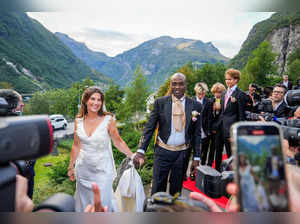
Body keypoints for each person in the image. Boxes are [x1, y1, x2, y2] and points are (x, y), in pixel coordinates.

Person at [67, 86, 137, 212]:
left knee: (103, 205)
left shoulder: (108, 120)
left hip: (102, 172)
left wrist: (132, 156)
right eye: (93, 99)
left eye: (99, 100)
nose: (96, 103)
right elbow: (76, 145)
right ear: (85, 101)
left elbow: (118, 141)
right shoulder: (78, 121)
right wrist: (71, 166)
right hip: (83, 171)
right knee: (84, 205)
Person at [133, 72, 202, 196]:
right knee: (158, 189)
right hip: (162, 152)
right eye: (174, 84)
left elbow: (197, 134)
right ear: (170, 85)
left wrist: (197, 158)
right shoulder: (160, 102)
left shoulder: (195, 105)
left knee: (176, 191)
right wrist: (141, 150)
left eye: (181, 84)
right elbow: (150, 127)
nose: (177, 87)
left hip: (182, 154)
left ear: (186, 85)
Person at [215, 69, 247, 171]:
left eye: (230, 79)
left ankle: (232, 175)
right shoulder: (224, 93)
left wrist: (236, 133)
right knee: (218, 151)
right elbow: (222, 112)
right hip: (220, 127)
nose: (227, 81)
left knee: (231, 154)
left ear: (236, 80)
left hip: (231, 129)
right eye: (226, 79)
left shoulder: (240, 94)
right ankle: (218, 173)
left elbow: (241, 115)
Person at [191, 82, 212, 166]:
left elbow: (210, 117)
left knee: (204, 151)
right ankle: (192, 170)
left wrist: (209, 130)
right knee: (194, 151)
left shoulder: (208, 101)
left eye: (203, 94)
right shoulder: (191, 100)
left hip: (204, 130)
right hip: (193, 130)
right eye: (199, 94)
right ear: (196, 92)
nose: (201, 96)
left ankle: (202, 169)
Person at [207, 82, 226, 167]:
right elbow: (208, 117)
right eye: (216, 92)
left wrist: (219, 110)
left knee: (219, 149)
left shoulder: (225, 101)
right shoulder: (210, 101)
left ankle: (218, 166)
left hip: (221, 128)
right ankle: (209, 164)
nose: (217, 94)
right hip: (213, 128)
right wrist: (213, 110)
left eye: (219, 92)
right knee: (212, 148)